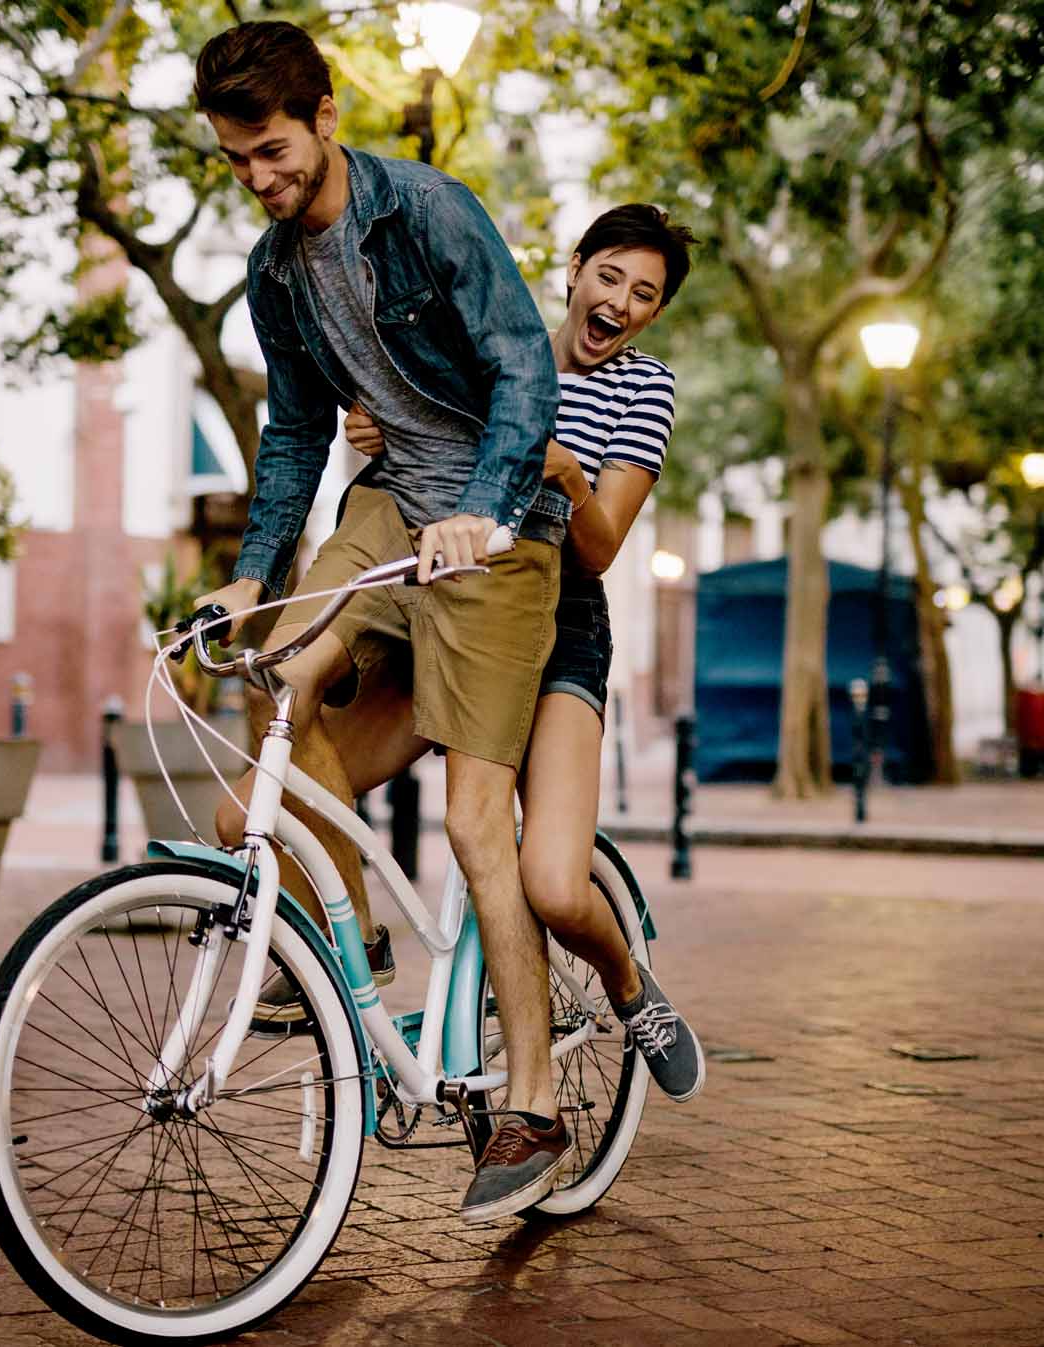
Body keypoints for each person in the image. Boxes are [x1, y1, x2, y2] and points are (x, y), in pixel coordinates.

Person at [186, 20, 571, 1224]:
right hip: (384, 511)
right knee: (280, 717)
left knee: (472, 822)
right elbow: (297, 430)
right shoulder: (272, 272)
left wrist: (487, 508)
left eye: (272, 150)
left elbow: (522, 368)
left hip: (492, 535)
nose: (259, 177)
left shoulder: (431, 212)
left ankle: (538, 1097)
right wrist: (254, 575)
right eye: (237, 160)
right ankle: (356, 961)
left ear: (326, 115)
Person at [333, 205, 709, 1112]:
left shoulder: (642, 389)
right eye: (610, 276)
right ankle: (361, 955)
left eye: (644, 294)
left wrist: (568, 473)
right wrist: (376, 431)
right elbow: (419, 444)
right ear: (575, 269)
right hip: (459, 603)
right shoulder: (492, 353)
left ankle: (628, 984)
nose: (620, 301)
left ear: (654, 315)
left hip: (564, 619)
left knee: (551, 880)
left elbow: (602, 546)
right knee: (323, 778)